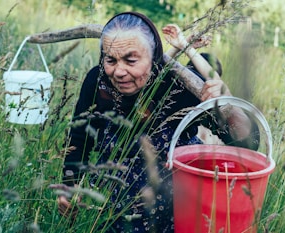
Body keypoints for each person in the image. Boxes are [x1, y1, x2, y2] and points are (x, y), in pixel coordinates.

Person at [58, 12, 259, 233]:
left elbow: (247, 144)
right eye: (111, 60)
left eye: (130, 60)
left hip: (179, 209)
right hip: (112, 207)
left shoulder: (179, 87)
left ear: (154, 57)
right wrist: (70, 184)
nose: (119, 71)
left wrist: (228, 107)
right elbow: (79, 137)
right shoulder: (98, 83)